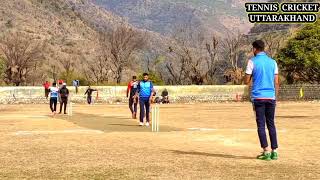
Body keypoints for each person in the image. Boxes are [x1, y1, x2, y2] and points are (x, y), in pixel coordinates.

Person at [245, 40, 279, 161]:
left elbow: (246, 81)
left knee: (260, 124)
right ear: (263, 48)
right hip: (271, 97)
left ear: (254, 49)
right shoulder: (273, 62)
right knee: (271, 124)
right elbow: (276, 82)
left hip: (258, 97)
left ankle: (266, 151)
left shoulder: (252, 61)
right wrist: (275, 97)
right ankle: (274, 151)